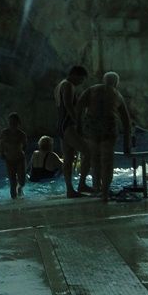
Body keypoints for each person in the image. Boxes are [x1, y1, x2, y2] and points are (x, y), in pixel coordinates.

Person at [74, 71, 131, 201]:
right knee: (107, 161)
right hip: (109, 128)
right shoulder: (117, 95)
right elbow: (126, 121)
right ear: (116, 83)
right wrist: (127, 144)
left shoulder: (91, 90)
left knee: (95, 159)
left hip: (92, 128)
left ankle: (96, 189)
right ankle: (105, 192)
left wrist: (78, 126)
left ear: (104, 80)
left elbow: (79, 106)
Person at [55, 65, 89, 197]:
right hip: (68, 125)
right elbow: (68, 105)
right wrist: (78, 123)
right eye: (81, 79)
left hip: (61, 125)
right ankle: (82, 184)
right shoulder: (68, 85)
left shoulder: (60, 85)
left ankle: (70, 189)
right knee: (88, 152)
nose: (81, 82)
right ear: (75, 74)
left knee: (68, 158)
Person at [0, 112, 27, 198]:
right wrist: (1, 153)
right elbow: (0, 144)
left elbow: (25, 146)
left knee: (22, 181)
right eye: (11, 122)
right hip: (9, 160)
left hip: (20, 159)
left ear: (18, 123)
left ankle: (20, 188)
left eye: (14, 122)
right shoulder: (4, 133)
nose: (12, 124)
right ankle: (13, 201)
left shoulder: (21, 134)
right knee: (12, 182)